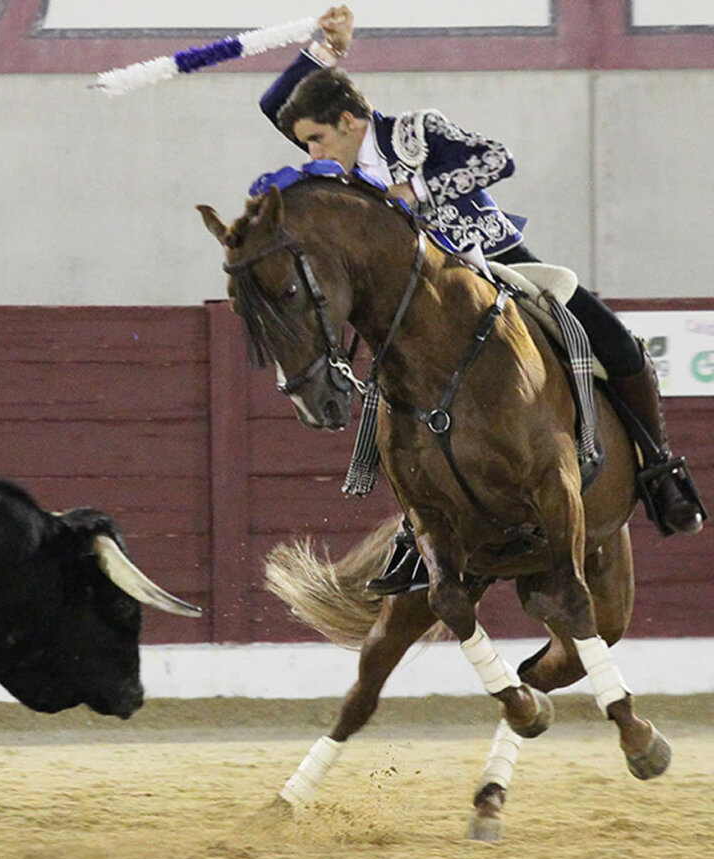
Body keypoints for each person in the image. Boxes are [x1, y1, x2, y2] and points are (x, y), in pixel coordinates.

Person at [260, 6, 704, 595]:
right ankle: (415, 532)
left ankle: (658, 470)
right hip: (417, 297)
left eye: (316, 139)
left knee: (620, 348)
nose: (312, 155)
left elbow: (498, 159)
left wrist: (413, 188)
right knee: (395, 394)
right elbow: (276, 107)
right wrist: (325, 50)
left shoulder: (415, 130)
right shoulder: (333, 162)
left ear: (347, 120)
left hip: (495, 261)